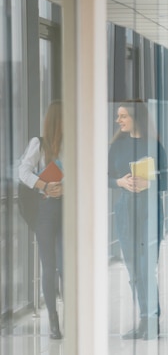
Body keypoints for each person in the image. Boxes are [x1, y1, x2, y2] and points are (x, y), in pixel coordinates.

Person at [108, 99, 167, 340]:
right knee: (134, 270)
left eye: (123, 116)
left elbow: (166, 181)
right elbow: (105, 177)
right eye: (118, 116)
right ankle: (145, 319)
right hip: (125, 212)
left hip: (150, 212)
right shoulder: (116, 146)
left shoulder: (154, 145)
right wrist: (121, 182)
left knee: (146, 267)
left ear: (135, 117)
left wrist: (149, 183)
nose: (118, 120)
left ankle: (152, 319)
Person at [18, 100, 64, 340]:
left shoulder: (74, 144)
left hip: (68, 209)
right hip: (46, 210)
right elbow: (23, 171)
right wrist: (44, 184)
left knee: (66, 265)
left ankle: (72, 316)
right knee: (49, 266)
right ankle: (54, 322)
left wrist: (64, 188)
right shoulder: (40, 143)